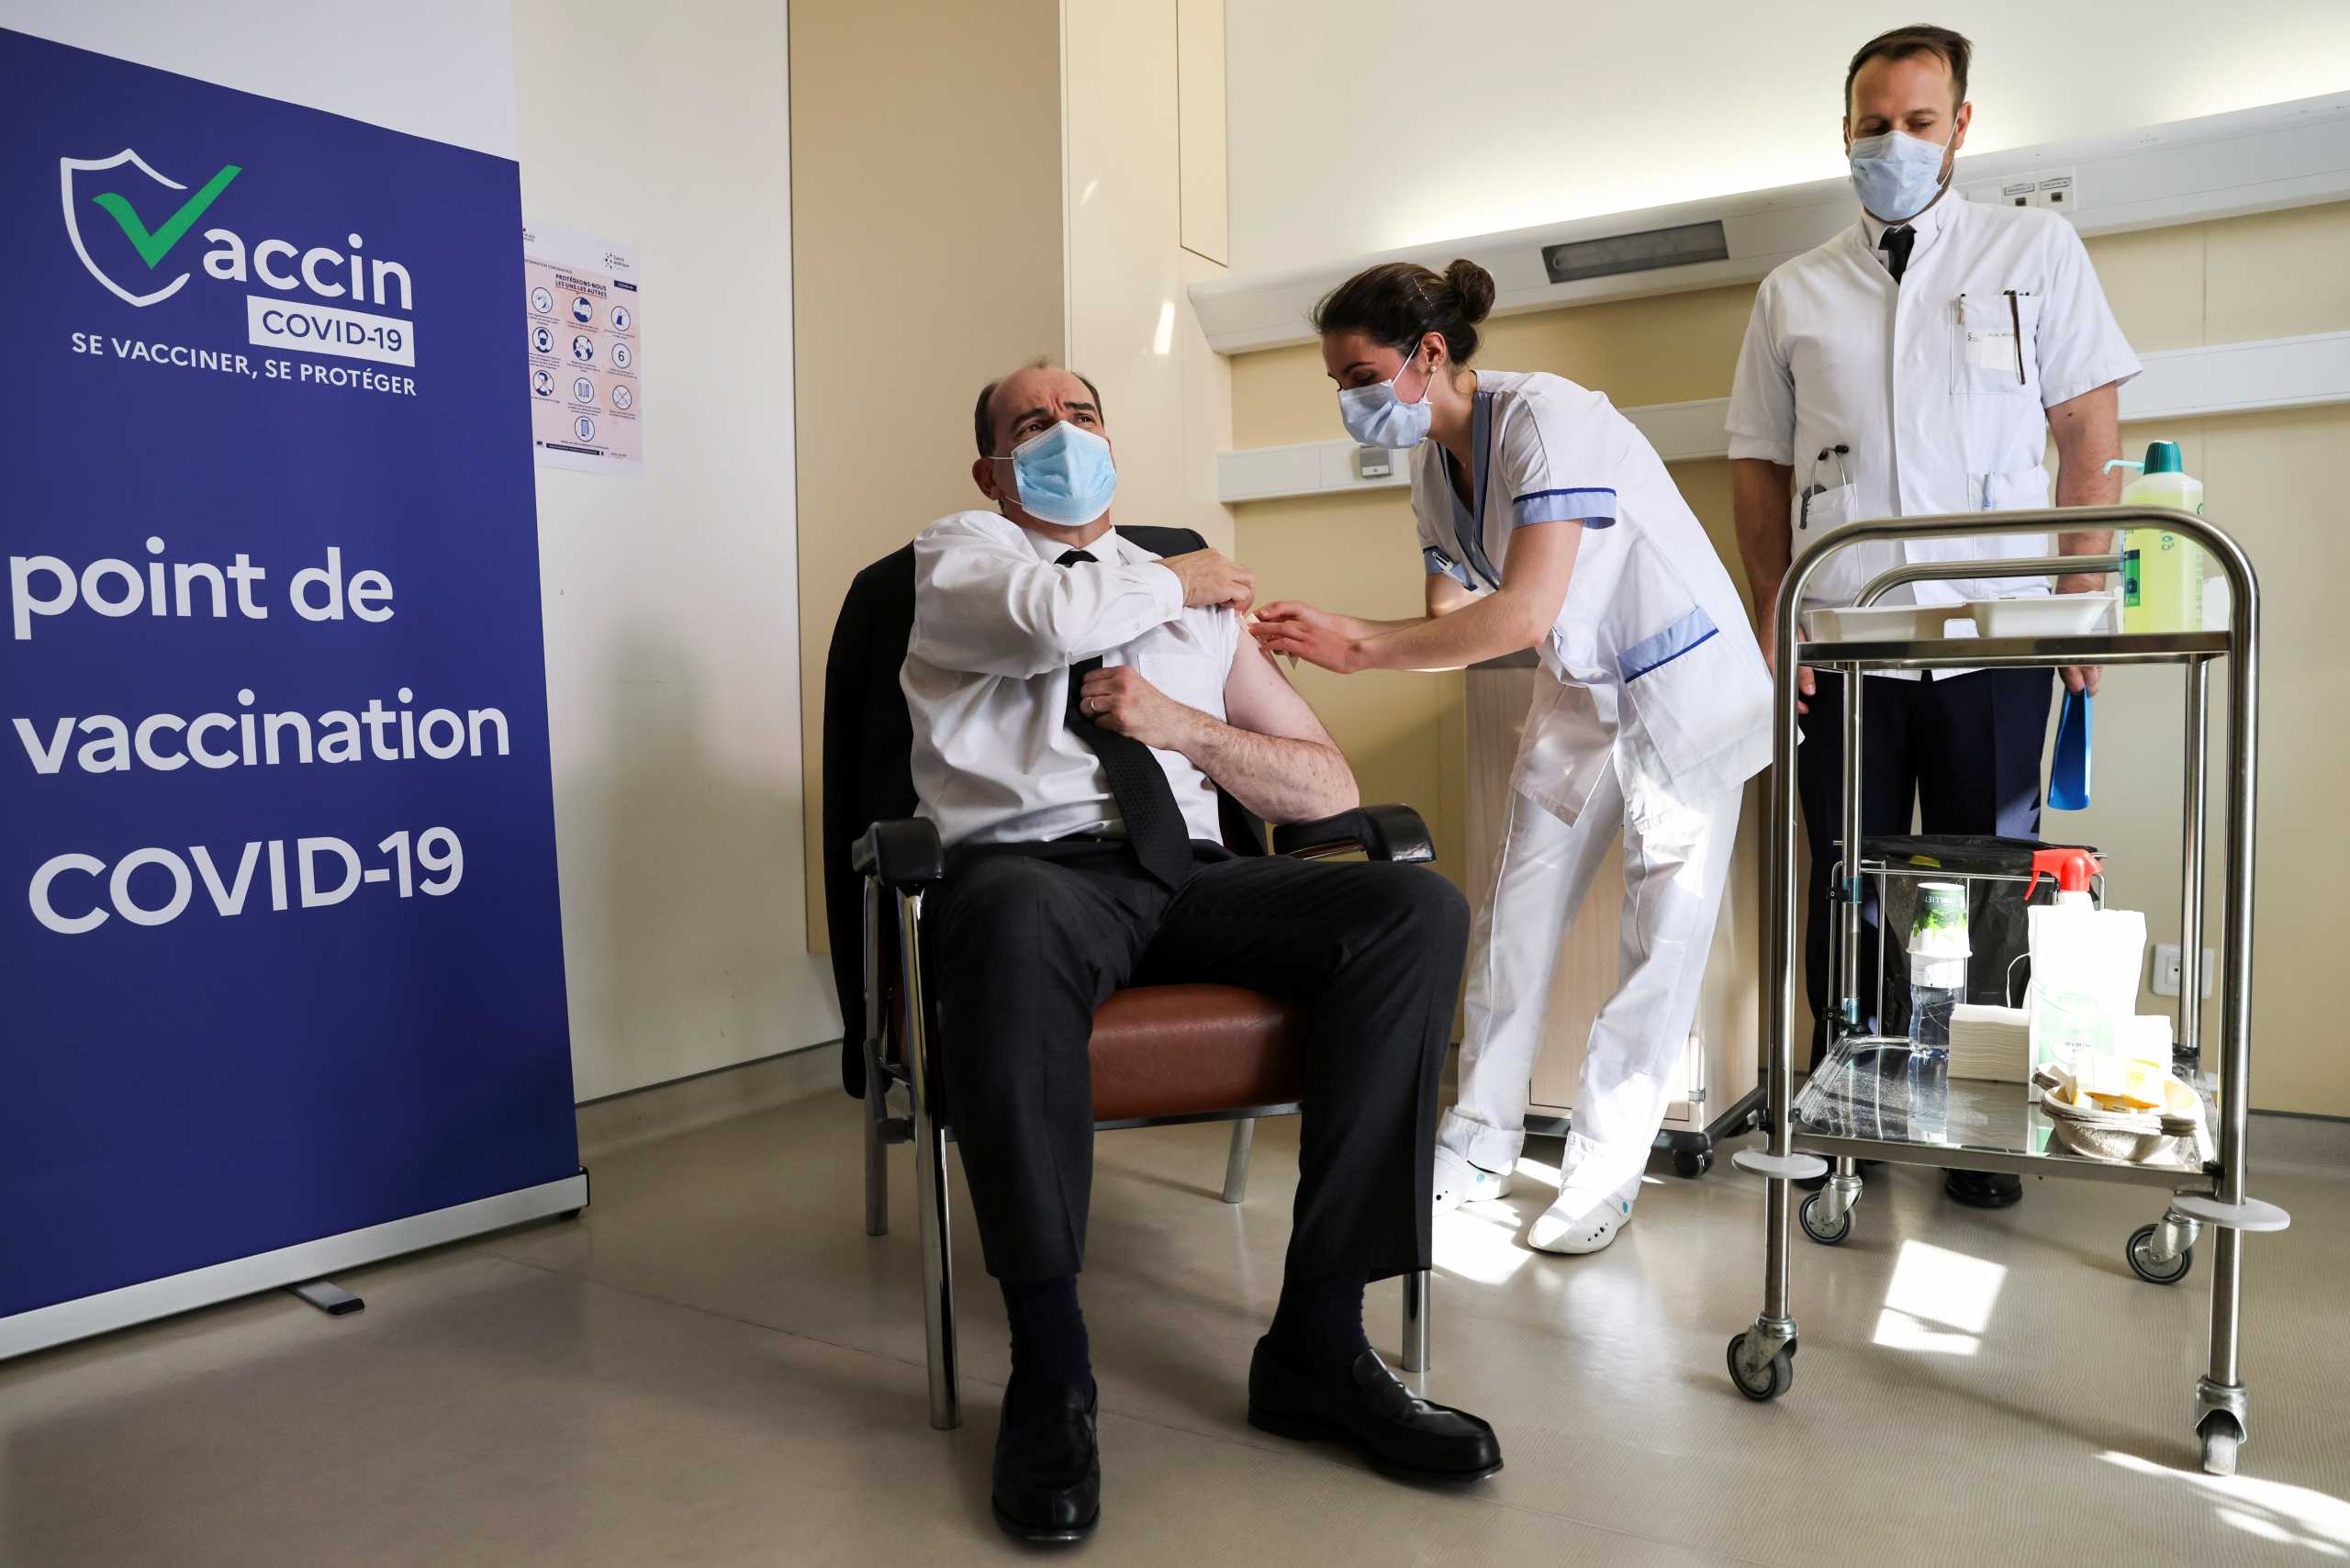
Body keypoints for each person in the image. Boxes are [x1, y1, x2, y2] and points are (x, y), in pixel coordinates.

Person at [907, 359, 1503, 1544]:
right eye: (1034, 425)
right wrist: (1175, 578)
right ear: (992, 468)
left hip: (1185, 873)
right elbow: (1055, 623)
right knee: (1015, 917)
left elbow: (1323, 782)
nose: (1065, 435)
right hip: (1035, 874)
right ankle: (1052, 1370)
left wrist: (1181, 722)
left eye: (1083, 416)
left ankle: (1319, 1346)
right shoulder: (963, 556)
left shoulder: (1202, 607)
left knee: (1412, 909)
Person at [1250, 261, 1772, 1258]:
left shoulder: (1547, 421)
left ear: (1428, 353)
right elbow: (1456, 610)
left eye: (1358, 375)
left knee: (1659, 942)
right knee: (1510, 919)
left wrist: (1356, 644)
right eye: (1339, 385)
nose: (1350, 401)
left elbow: (1522, 610)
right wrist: (1326, 625)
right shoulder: (1432, 467)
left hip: (1680, 684)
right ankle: (1478, 1144)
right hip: (1582, 692)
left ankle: (1604, 1172)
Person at [1725, 24, 2140, 1209]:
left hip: (1997, 634)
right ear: (1844, 129)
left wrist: (2080, 596)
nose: (1893, 142)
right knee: (1845, 876)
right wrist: (1779, 610)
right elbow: (1758, 466)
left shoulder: (2035, 248)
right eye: (1873, 123)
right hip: (1845, 640)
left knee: (1988, 875)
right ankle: (1845, 1111)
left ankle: (1981, 1122)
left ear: (1962, 125)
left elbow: (2086, 430)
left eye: (1918, 120)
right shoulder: (1793, 289)